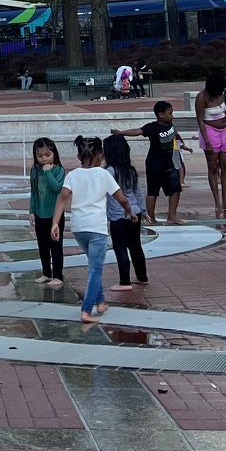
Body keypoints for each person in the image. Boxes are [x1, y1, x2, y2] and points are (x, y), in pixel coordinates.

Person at [52, 136, 130, 324]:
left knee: (94, 265)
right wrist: (130, 211)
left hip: (79, 228)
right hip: (97, 228)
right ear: (101, 155)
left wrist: (55, 223)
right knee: (96, 269)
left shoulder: (72, 175)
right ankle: (86, 310)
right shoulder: (104, 175)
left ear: (79, 156)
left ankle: (101, 302)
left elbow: (62, 198)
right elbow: (121, 198)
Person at [101, 134, 150, 287]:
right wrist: (143, 211)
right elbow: (138, 192)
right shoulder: (130, 170)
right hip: (135, 211)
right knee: (135, 245)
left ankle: (125, 281)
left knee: (120, 247)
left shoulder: (109, 172)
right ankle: (142, 276)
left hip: (119, 215)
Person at [195, 72, 226, 216]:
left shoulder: (222, 95)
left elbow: (225, 114)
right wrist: (207, 141)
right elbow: (200, 119)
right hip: (209, 130)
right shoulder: (202, 97)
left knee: (225, 165)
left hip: (224, 130)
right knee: (213, 166)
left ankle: (225, 200)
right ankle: (217, 202)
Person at [29, 138, 67, 285]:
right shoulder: (35, 171)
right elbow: (33, 192)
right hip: (40, 215)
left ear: (54, 154)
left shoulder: (59, 170)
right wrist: (32, 211)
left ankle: (58, 275)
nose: (44, 159)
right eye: (40, 156)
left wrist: (48, 173)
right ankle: (46, 272)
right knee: (42, 245)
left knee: (56, 246)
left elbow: (56, 188)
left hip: (55, 217)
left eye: (47, 154)